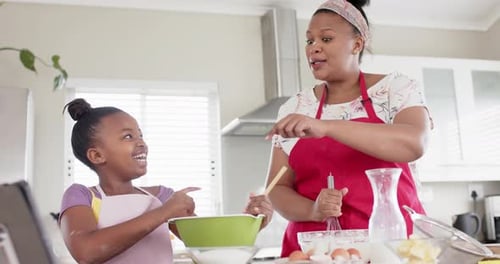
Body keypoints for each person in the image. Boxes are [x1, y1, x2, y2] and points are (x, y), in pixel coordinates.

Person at [264, 0, 433, 257]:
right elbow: (276, 187)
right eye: (309, 41)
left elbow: (413, 143)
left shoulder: (395, 89)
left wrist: (326, 127)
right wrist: (313, 210)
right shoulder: (295, 107)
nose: (314, 48)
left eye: (326, 38)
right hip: (314, 254)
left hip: (389, 250)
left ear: (357, 44)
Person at [59, 98, 273, 264]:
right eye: (127, 137)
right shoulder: (82, 196)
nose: (141, 143)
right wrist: (163, 213)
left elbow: (212, 249)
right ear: (97, 156)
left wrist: (251, 222)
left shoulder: (161, 196)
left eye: (140, 135)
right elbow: (86, 252)